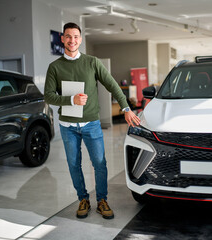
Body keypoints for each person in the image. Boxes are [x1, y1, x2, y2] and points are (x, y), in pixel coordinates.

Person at [44, 22, 140, 219]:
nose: (72, 40)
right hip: (68, 126)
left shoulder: (92, 62)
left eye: (76, 36)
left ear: (81, 39)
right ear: (62, 39)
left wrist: (126, 108)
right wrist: (71, 100)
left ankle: (102, 200)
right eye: (68, 36)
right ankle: (83, 199)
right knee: (73, 164)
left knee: (99, 163)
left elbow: (112, 85)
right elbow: (48, 96)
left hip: (91, 124)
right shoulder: (54, 67)